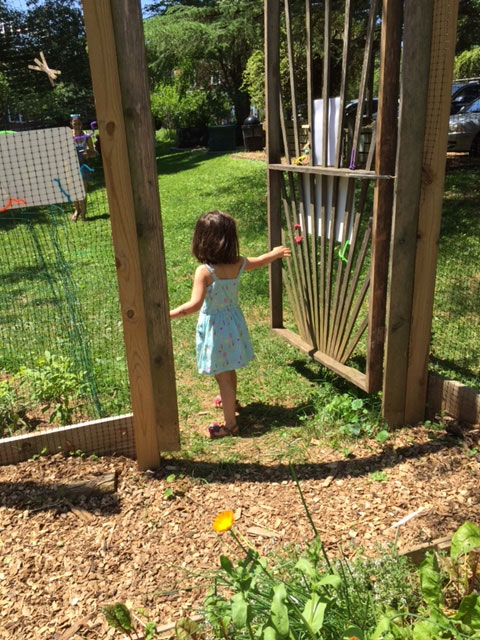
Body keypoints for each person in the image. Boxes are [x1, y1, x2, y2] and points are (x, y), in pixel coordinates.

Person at [170, 210, 291, 439]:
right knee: (227, 369)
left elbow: (194, 305)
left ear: (201, 241)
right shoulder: (237, 263)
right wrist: (274, 254)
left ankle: (230, 425)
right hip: (232, 324)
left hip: (216, 328)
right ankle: (230, 401)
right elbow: (260, 261)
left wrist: (169, 314)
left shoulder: (204, 272)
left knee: (222, 374)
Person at [70, 114, 96, 221]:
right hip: (71, 165)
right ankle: (77, 210)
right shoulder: (67, 136)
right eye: (74, 124)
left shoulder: (86, 136)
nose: (77, 126)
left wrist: (88, 154)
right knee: (73, 190)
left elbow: (93, 153)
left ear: (81, 125)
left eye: (79, 124)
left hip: (83, 165)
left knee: (83, 190)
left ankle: (83, 214)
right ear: (71, 124)